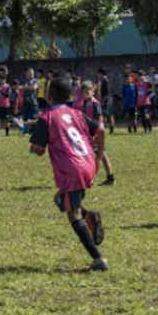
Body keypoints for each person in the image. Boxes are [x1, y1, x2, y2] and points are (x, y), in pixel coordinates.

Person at [29, 77, 108, 271]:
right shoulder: (77, 113)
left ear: (48, 96)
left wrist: (34, 143)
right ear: (71, 96)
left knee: (73, 215)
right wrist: (98, 156)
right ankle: (89, 216)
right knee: (61, 200)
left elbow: (38, 149)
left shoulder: (46, 117)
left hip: (72, 169)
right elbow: (101, 130)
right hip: (87, 162)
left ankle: (98, 259)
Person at [79, 81, 116, 185]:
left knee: (100, 155)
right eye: (83, 92)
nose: (85, 94)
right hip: (88, 133)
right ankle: (109, 177)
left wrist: (98, 133)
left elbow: (100, 119)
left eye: (87, 92)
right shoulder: (84, 103)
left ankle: (94, 178)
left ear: (92, 92)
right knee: (99, 155)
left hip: (95, 133)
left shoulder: (95, 104)